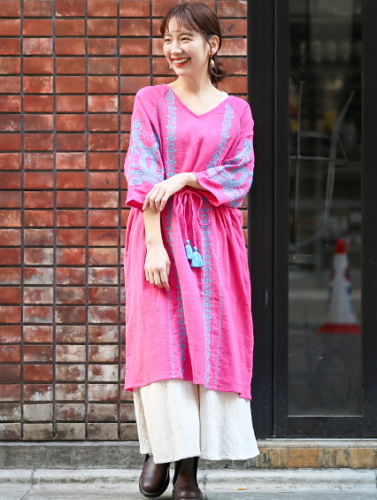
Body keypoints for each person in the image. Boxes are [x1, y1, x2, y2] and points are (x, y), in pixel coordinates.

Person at [123, 3, 259, 499]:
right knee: (163, 346)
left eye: (185, 39)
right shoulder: (150, 101)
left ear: (212, 45)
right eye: (167, 39)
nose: (174, 50)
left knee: (205, 343)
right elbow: (142, 174)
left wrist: (185, 177)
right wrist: (154, 246)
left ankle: (187, 472)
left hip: (214, 241)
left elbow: (239, 174)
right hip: (158, 232)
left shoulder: (237, 111)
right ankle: (161, 449)